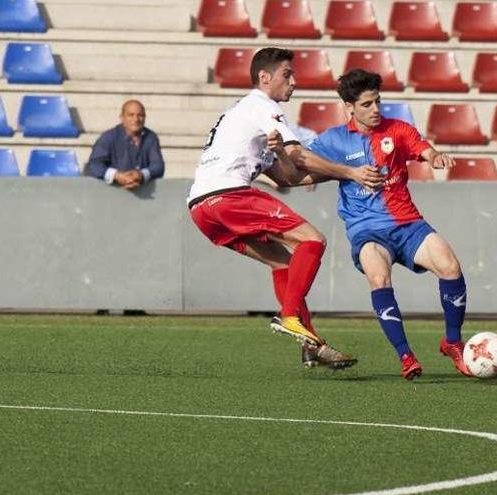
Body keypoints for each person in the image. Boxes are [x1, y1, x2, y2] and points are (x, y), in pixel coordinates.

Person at [187, 48, 383, 369]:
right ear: (265, 77)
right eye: (287, 74)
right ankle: (290, 315)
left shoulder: (244, 116)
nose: (294, 81)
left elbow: (288, 176)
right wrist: (351, 172)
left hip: (201, 208)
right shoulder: (263, 106)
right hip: (229, 194)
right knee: (313, 240)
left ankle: (311, 345)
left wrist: (316, 167)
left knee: (283, 263)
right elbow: (302, 157)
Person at [305, 69, 473, 381]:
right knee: (379, 278)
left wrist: (435, 158)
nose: (375, 110)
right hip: (366, 229)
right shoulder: (334, 140)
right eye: (367, 104)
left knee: (451, 267)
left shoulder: (397, 130)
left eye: (377, 101)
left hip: (407, 223)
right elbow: (305, 164)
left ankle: (452, 342)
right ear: (349, 107)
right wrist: (305, 176)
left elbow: (425, 150)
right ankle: (406, 356)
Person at [85, 100, 165, 189]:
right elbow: (94, 165)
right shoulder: (108, 137)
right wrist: (117, 176)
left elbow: (158, 166)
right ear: (122, 118)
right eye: (131, 115)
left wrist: (141, 175)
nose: (136, 119)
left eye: (140, 115)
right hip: (112, 193)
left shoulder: (151, 137)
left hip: (144, 194)